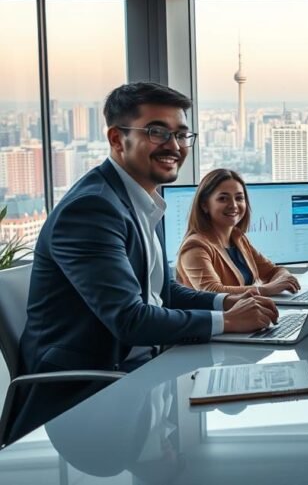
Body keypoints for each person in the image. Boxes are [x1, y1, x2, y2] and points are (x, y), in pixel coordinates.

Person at [11, 83, 279, 443]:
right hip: (87, 397)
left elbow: (160, 289)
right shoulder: (92, 209)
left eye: (182, 134)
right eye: (157, 132)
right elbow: (129, 319)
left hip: (142, 370)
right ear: (117, 139)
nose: (174, 145)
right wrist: (227, 321)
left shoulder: (136, 199)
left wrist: (226, 301)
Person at [175, 168, 301, 295]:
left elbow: (273, 271)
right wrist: (266, 290)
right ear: (204, 205)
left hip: (247, 311)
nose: (234, 205)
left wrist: (285, 278)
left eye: (239, 198)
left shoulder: (237, 238)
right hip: (216, 314)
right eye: (223, 199)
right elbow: (212, 292)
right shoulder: (195, 246)